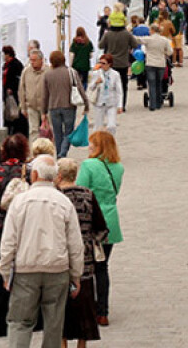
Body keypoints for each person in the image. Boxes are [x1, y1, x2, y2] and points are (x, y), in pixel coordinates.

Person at [0, 155, 84, 348]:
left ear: (34, 174)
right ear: (56, 177)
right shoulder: (63, 202)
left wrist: (5, 271)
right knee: (54, 324)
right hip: (57, 268)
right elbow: (75, 244)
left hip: (26, 269)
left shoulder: (19, 202)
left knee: (20, 322)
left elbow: (8, 242)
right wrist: (76, 275)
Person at [56, 159, 108, 348]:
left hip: (59, 259)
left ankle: (62, 344)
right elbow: (101, 228)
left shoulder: (56, 196)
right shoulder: (87, 195)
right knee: (83, 310)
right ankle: (81, 344)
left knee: (60, 311)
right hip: (84, 261)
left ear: (58, 175)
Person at [75, 131, 124, 327]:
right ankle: (103, 311)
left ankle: (90, 308)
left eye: (92, 144)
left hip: (92, 219)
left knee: (88, 267)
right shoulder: (118, 167)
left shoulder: (89, 165)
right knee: (103, 267)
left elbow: (81, 189)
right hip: (110, 220)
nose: (89, 147)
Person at [0, 133, 31, 338]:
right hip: (25, 227)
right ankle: (28, 319)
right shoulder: (29, 172)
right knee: (25, 272)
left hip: (0, 225)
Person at [41, 51, 89, 159]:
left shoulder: (48, 75)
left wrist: (43, 111)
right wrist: (86, 104)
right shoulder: (71, 72)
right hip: (69, 106)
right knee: (69, 131)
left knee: (57, 133)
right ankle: (62, 153)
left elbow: (45, 95)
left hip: (53, 107)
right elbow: (80, 89)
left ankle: (59, 154)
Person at [98, 18, 139, 111]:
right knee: (123, 85)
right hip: (123, 63)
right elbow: (135, 44)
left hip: (110, 63)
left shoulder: (108, 34)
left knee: (109, 85)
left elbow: (100, 45)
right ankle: (122, 105)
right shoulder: (127, 34)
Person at [134, 24, 173, 111]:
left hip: (151, 63)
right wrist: (164, 53)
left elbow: (138, 40)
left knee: (151, 84)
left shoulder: (149, 39)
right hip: (161, 64)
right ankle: (159, 103)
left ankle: (152, 104)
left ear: (152, 30)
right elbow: (170, 52)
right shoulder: (164, 40)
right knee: (159, 83)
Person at [87, 54, 123, 135]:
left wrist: (120, 105)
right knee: (98, 127)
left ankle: (110, 142)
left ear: (109, 64)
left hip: (111, 103)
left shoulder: (115, 74)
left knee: (111, 126)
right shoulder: (96, 73)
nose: (101, 65)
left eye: (104, 63)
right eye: (100, 63)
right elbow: (90, 88)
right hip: (99, 103)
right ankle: (97, 144)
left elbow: (119, 91)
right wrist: (96, 82)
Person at [18, 49, 46, 145]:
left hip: (46, 107)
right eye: (31, 60)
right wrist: (23, 107)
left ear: (41, 60)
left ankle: (48, 151)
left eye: (34, 60)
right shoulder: (26, 71)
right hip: (31, 106)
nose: (32, 62)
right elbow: (22, 89)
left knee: (47, 131)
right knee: (33, 131)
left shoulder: (48, 70)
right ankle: (34, 151)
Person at [2, 46, 26, 136]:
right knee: (8, 113)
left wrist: (12, 88)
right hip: (6, 93)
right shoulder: (5, 65)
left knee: (14, 113)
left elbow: (18, 79)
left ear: (8, 54)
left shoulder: (16, 64)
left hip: (14, 94)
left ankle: (15, 132)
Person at [170, 2, 185, 67]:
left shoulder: (180, 14)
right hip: (172, 33)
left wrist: (180, 31)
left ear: (176, 7)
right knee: (173, 48)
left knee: (179, 48)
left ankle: (181, 61)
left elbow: (182, 22)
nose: (173, 8)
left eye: (174, 6)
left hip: (178, 33)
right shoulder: (171, 14)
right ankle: (174, 61)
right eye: (172, 6)